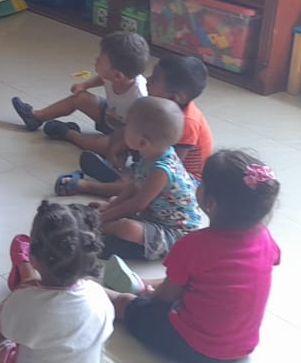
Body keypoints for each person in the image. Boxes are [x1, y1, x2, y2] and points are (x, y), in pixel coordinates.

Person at [110, 150, 281, 362]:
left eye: (202, 183)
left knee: (125, 302)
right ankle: (142, 283)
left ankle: (92, 290)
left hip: (194, 346)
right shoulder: (265, 238)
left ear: (211, 203)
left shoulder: (195, 244)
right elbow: (222, 277)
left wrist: (151, 296)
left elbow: (165, 298)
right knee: (197, 275)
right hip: (241, 349)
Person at [0, 200, 114, 362]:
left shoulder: (26, 303)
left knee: (4, 344)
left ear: (33, 258)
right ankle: (24, 272)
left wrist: (19, 293)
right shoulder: (98, 295)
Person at [68, 55, 215, 197]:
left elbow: (172, 166)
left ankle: (88, 186)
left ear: (174, 97)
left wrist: (141, 174)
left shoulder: (187, 123)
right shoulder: (159, 104)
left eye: (154, 79)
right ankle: (113, 165)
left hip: (183, 178)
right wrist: (115, 148)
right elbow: (131, 128)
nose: (148, 80)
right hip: (154, 152)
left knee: (137, 186)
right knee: (121, 138)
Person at [83, 97, 204, 261]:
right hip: (153, 215)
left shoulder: (161, 170)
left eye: (127, 127)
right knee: (115, 202)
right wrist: (112, 206)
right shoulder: (150, 154)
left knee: (127, 227)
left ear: (142, 142)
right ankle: (108, 227)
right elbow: (133, 187)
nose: (123, 130)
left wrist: (100, 220)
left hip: (175, 233)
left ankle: (100, 232)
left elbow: (137, 204)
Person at [11, 31, 149, 145]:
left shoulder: (139, 98)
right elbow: (103, 78)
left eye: (100, 60)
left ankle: (70, 134)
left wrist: (123, 147)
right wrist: (85, 85)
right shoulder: (116, 75)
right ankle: (36, 117)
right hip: (109, 114)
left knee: (102, 146)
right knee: (80, 98)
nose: (95, 60)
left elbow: (141, 130)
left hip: (123, 135)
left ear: (118, 76)